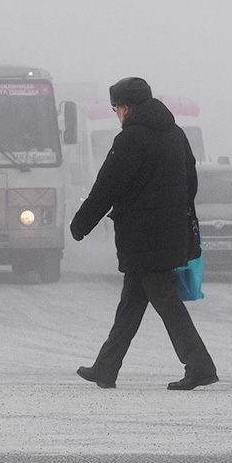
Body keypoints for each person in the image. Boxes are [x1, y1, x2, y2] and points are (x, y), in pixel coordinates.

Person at [69, 78, 218, 390]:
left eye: (116, 109)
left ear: (125, 107)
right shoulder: (177, 135)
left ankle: (200, 364)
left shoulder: (131, 140)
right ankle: (106, 367)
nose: (117, 115)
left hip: (143, 236)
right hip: (169, 232)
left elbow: (107, 185)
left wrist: (81, 224)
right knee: (132, 303)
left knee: (165, 300)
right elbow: (191, 182)